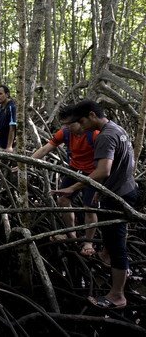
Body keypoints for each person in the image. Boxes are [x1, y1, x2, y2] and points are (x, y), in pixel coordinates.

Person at [52, 100, 139, 310]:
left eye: (81, 121)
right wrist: (102, 190)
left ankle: (117, 295)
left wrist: (73, 188)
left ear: (92, 115)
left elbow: (103, 171)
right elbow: (126, 163)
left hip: (118, 195)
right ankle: (106, 258)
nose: (80, 127)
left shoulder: (105, 136)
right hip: (125, 190)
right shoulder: (117, 129)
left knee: (116, 242)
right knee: (113, 237)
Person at [23, 104, 99, 257]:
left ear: (81, 120)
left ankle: (88, 242)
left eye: (71, 123)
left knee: (89, 207)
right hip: (74, 169)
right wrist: (24, 164)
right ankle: (72, 235)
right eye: (65, 124)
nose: (67, 127)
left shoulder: (95, 134)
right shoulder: (65, 133)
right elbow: (45, 149)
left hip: (93, 173)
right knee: (63, 200)